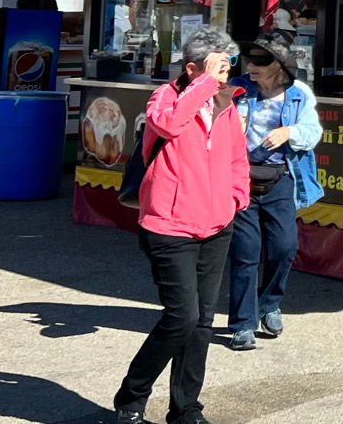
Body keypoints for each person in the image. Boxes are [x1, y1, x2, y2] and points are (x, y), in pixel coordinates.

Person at [113, 28, 248, 424]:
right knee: (181, 317)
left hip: (217, 224)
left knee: (202, 324)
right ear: (192, 68)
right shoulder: (165, 98)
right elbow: (168, 125)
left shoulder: (227, 106)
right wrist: (204, 83)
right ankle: (132, 395)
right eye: (219, 65)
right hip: (169, 226)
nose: (227, 74)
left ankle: (186, 408)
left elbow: (237, 159)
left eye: (228, 65)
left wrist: (236, 197)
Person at [225, 31, 324, 350]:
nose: (252, 65)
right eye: (250, 59)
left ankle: (269, 304)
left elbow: (313, 132)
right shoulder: (237, 90)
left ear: (279, 66)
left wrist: (289, 132)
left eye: (261, 60)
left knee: (283, 247)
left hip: (281, 178)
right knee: (246, 252)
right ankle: (243, 324)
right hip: (241, 180)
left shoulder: (299, 94)